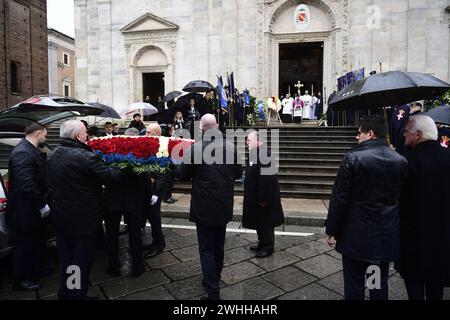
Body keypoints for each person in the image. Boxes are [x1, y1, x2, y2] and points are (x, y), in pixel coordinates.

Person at [324, 115, 408, 300]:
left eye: (359, 132)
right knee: (376, 283)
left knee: (354, 284)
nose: (357, 137)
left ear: (370, 134)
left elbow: (340, 198)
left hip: (357, 236)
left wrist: (331, 229)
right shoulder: (400, 161)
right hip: (383, 237)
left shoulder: (353, 158)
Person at [47, 120, 120, 300]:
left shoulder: (53, 154)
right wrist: (123, 165)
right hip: (82, 217)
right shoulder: (85, 157)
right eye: (85, 133)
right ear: (78, 136)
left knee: (67, 257)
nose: (87, 135)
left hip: (60, 215)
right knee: (80, 259)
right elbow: (110, 176)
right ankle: (76, 294)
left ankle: (66, 291)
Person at [180, 114, 242, 300]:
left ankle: (212, 290)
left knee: (206, 249)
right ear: (217, 126)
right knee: (218, 246)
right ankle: (214, 277)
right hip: (223, 203)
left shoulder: (196, 148)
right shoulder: (231, 147)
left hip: (203, 205)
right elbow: (238, 172)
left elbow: (183, 173)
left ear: (201, 128)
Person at [395, 115, 450, 300]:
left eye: (407, 132)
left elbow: (397, 197)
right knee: (436, 289)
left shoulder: (407, 161)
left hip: (413, 240)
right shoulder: (447, 157)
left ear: (418, 134)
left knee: (414, 287)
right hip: (442, 238)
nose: (404, 135)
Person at [6, 123, 50, 291]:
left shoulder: (29, 150)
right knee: (24, 246)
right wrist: (42, 205)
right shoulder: (23, 152)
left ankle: (36, 270)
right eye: (44, 135)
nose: (45, 139)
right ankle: (21, 280)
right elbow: (26, 185)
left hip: (31, 209)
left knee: (36, 242)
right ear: (37, 133)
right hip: (24, 210)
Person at [104, 127, 149, 278]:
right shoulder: (141, 155)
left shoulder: (112, 151)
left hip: (113, 198)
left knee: (112, 234)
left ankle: (113, 266)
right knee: (135, 234)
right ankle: (137, 266)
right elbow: (146, 181)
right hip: (134, 199)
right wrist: (147, 200)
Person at [242, 131, 284, 258]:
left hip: (263, 197)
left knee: (266, 222)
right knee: (259, 221)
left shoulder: (264, 154)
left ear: (258, 140)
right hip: (255, 196)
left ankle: (268, 246)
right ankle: (262, 243)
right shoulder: (255, 153)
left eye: (249, 140)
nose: (246, 142)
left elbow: (267, 179)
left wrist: (264, 198)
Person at [143, 123, 166, 257]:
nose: (146, 135)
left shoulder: (162, 147)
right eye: (146, 132)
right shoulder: (147, 144)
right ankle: (156, 240)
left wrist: (156, 193)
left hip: (155, 189)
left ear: (157, 134)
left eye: (149, 132)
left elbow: (163, 172)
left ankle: (159, 244)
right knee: (150, 217)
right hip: (147, 187)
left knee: (154, 217)